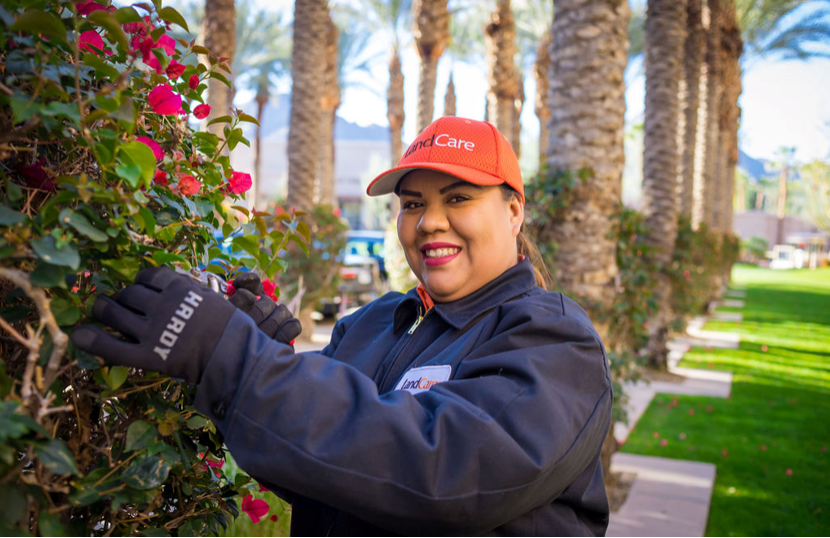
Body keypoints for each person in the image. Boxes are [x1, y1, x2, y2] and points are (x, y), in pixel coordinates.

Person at [72, 116, 613, 536]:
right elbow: (323, 467)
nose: (429, 222)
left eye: (458, 198)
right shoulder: (378, 321)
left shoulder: (554, 340)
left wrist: (234, 356)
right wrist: (259, 355)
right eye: (412, 203)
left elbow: (443, 473)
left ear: (514, 211)